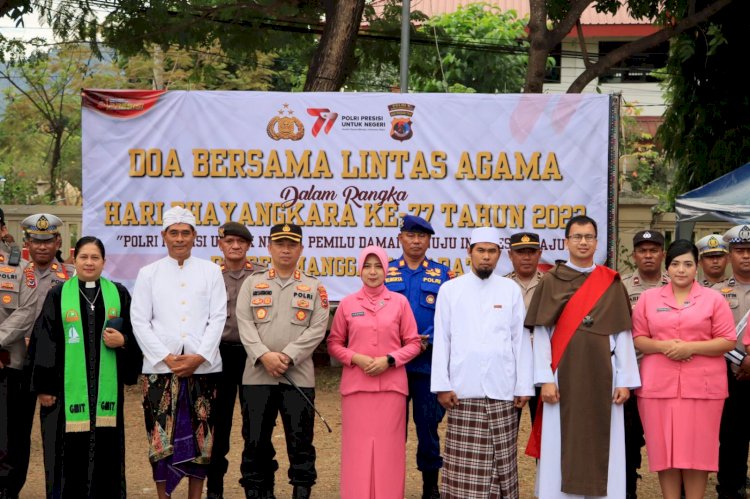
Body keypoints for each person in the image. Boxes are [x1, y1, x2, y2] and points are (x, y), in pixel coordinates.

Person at [526, 215, 640, 498]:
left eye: (589, 237)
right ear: (566, 242)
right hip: (561, 376)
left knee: (604, 440)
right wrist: (544, 380)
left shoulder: (610, 282)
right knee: (560, 441)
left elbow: (622, 335)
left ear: (596, 242)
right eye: (577, 237)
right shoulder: (551, 281)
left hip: (604, 375)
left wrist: (625, 380)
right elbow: (541, 333)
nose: (583, 242)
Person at [30, 236, 142, 498]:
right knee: (65, 454)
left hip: (107, 391)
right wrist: (45, 386)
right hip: (65, 392)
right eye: (84, 257)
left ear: (104, 262)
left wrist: (123, 341)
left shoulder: (119, 293)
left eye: (95, 257)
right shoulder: (58, 295)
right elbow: (45, 341)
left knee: (107, 452)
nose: (89, 263)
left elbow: (136, 335)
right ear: (74, 260)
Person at [131, 206, 227, 499]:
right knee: (160, 441)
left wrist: (198, 357)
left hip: (204, 370)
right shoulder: (148, 273)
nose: (180, 238)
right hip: (160, 371)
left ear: (195, 236)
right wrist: (167, 358)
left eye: (186, 233)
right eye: (174, 233)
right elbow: (139, 320)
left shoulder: (211, 271)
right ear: (164, 235)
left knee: (202, 442)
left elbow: (218, 317)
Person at [431, 226, 534, 499]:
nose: (486, 257)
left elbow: (519, 341)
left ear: (499, 254)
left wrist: (523, 385)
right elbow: (442, 340)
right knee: (463, 470)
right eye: (481, 251)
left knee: (503, 465)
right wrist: (442, 385)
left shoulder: (509, 290)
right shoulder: (450, 290)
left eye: (491, 251)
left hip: (503, 389)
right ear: (469, 253)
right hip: (463, 390)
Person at [632, 239, 735, 499]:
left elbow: (727, 340)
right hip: (658, 388)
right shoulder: (648, 298)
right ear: (667, 268)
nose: (681, 270)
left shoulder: (713, 299)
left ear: (696, 267)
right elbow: (637, 338)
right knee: (663, 450)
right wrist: (662, 345)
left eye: (688, 264)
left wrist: (692, 348)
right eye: (676, 264)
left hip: (703, 388)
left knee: (699, 451)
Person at [236, 223, 328, 499]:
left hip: (297, 376)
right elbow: (244, 322)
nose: (285, 249)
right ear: (270, 247)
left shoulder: (313, 286)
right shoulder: (252, 283)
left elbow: (318, 328)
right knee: (255, 439)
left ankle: (301, 490)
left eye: (291, 244)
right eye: (280, 244)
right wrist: (264, 355)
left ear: (301, 248)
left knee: (300, 441)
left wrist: (287, 356)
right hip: (257, 376)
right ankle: (258, 490)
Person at [327, 245, 422, 499]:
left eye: (378, 265)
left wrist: (390, 360)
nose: (372, 272)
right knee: (357, 451)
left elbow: (414, 343)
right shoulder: (347, 304)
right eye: (367, 266)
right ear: (360, 270)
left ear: (386, 269)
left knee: (389, 452)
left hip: (391, 390)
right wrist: (354, 357)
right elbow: (334, 343)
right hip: (357, 389)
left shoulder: (399, 303)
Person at [384, 215, 452, 499]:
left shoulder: (442, 274)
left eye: (421, 236)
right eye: (410, 235)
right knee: (390, 430)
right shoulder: (385, 271)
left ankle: (430, 487)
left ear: (428, 240)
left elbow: (450, 319)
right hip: (392, 366)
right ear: (400, 238)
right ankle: (389, 485)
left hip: (428, 365)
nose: (415, 241)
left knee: (428, 429)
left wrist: (428, 340)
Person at [16, 213, 75, 497]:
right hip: (18, 364)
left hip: (55, 369)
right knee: (14, 434)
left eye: (48, 240)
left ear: (58, 241)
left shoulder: (72, 276)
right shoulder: (14, 273)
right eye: (36, 241)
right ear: (27, 242)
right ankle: (10, 488)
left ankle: (57, 491)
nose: (42, 246)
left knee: (56, 438)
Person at [207, 222, 266, 499]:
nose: (235, 246)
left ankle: (254, 484)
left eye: (241, 242)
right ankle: (215, 487)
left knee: (255, 422)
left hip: (253, 356)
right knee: (218, 424)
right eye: (229, 241)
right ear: (220, 244)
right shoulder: (209, 276)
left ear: (248, 246)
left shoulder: (261, 276)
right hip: (219, 355)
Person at [620, 229, 668, 499]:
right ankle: (628, 492)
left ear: (662, 253)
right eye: (642, 250)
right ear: (635, 255)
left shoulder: (677, 283)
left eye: (653, 250)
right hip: (633, 375)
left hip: (668, 376)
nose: (648, 255)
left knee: (672, 440)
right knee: (629, 441)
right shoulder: (622, 286)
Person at [0, 208, 38, 499]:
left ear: (2, 229)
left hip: (9, 367)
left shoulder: (21, 269)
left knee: (11, 438)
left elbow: (26, 311)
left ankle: (7, 490)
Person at [713, 224, 750, 499]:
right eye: (739, 250)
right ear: (729, 254)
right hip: (728, 375)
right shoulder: (715, 293)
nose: (746, 256)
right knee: (731, 438)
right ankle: (729, 489)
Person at [505, 230, 544, 424]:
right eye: (521, 252)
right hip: (512, 365)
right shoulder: (501, 285)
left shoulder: (551, 284)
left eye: (531, 251)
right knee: (508, 426)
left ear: (540, 254)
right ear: (510, 255)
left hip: (543, 363)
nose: (526, 257)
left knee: (545, 429)